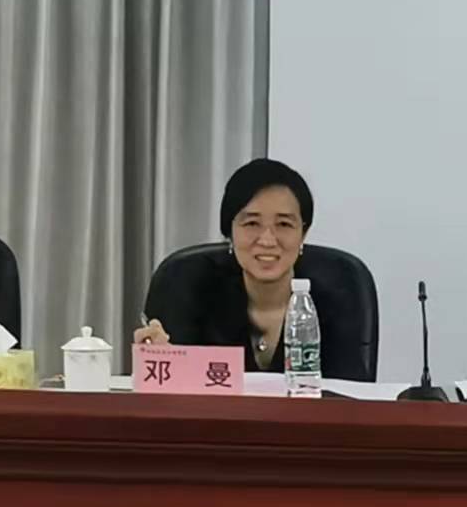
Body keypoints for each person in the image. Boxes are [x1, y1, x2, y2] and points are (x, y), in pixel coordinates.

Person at [135, 158, 365, 378]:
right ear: (229, 232)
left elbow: (352, 392)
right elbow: (170, 386)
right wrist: (159, 357)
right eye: (252, 223)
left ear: (303, 233)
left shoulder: (335, 299)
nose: (267, 240)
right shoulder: (189, 287)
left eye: (284, 224)